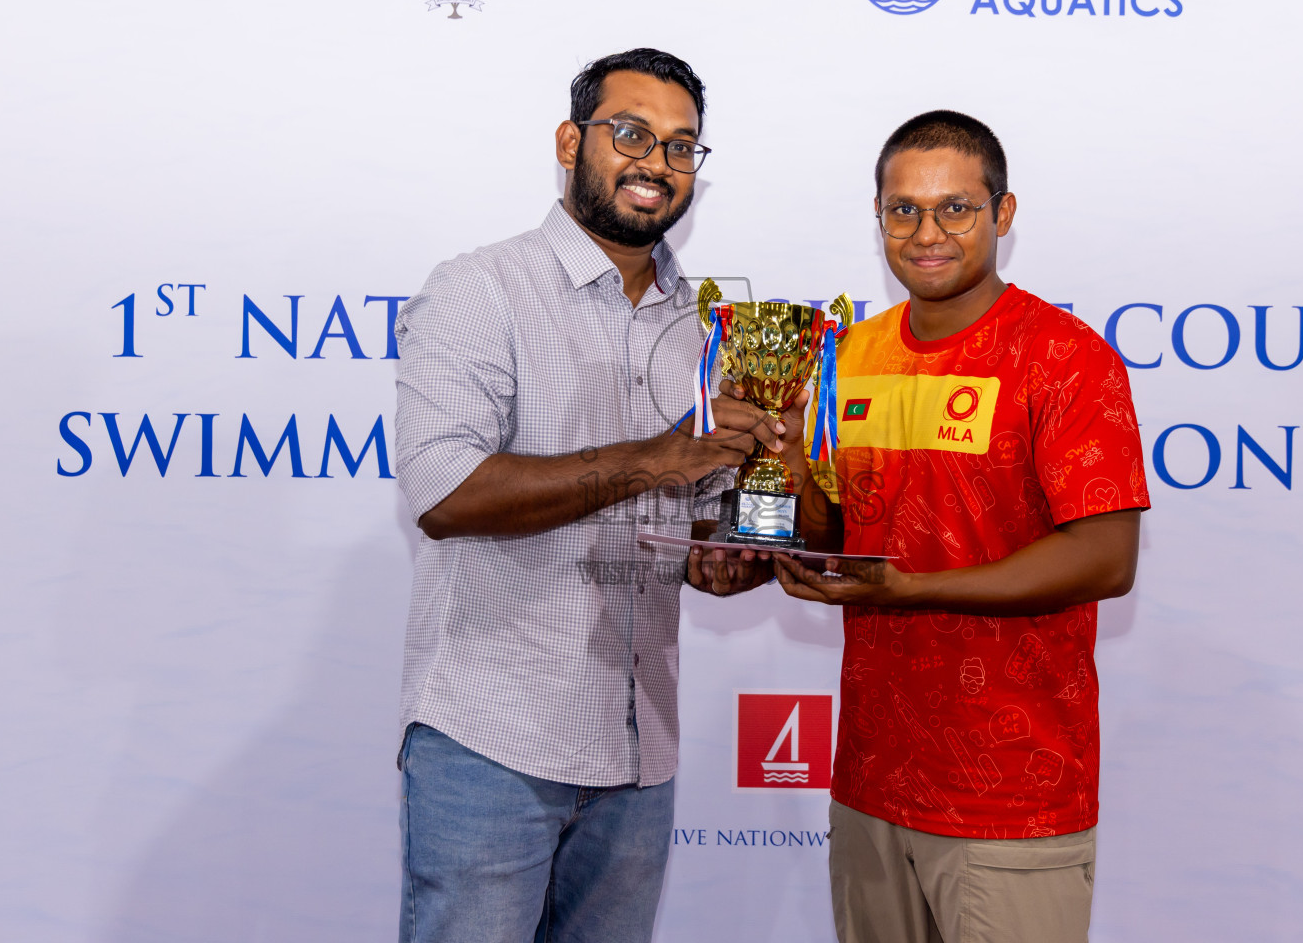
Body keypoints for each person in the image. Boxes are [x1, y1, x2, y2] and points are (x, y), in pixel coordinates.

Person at [392, 47, 791, 943]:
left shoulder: (707, 325)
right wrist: (657, 459)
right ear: (571, 142)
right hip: (492, 745)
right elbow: (444, 493)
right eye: (631, 134)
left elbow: (696, 510)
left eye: (682, 146)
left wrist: (723, 556)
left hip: (641, 753)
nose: (658, 162)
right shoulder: (480, 289)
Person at [772, 110, 1151, 943]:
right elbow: (835, 539)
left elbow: (1105, 558)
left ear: (1002, 214)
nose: (926, 233)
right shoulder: (847, 356)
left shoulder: (1064, 357)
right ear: (878, 217)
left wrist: (908, 590)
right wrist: (789, 474)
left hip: (1010, 796)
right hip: (871, 782)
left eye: (955, 208)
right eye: (903, 210)